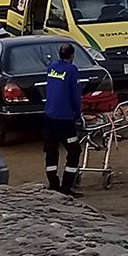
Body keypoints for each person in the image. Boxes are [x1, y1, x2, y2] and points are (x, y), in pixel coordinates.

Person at [43, 44, 86, 195]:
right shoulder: (72, 70)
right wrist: (77, 115)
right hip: (64, 119)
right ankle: (66, 187)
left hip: (49, 116)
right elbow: (75, 95)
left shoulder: (52, 67)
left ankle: (53, 184)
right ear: (72, 55)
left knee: (51, 150)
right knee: (74, 151)